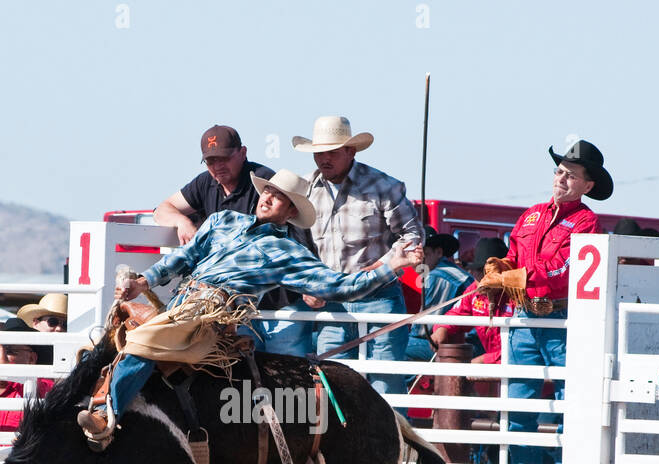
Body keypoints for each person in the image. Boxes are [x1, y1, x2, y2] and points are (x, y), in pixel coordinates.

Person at [90, 168, 424, 448]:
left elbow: (338, 287)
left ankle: (106, 419)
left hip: (212, 316)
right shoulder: (222, 221)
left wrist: (391, 266)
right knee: (106, 341)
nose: (266, 198)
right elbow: (183, 258)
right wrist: (144, 282)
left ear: (290, 212)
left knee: (143, 344)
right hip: (181, 303)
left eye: (277, 197)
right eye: (267, 191)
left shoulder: (287, 252)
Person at [501, 139, 610, 464]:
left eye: (571, 175)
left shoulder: (586, 222)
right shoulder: (530, 215)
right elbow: (514, 255)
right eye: (559, 172)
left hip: (561, 319)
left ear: (587, 186)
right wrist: (501, 267)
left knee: (569, 407)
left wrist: (520, 274)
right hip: (526, 319)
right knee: (518, 406)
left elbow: (568, 269)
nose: (561, 179)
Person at [294, 116, 424, 394]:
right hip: (333, 302)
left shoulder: (383, 186)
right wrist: (308, 284)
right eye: (319, 153)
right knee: (333, 390)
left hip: (378, 299)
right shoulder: (303, 189)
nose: (324, 159)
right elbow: (298, 246)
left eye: (332, 152)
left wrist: (382, 264)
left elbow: (413, 237)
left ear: (350, 151)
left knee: (385, 389)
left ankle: (395, 438)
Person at [153, 125, 277, 246]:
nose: (218, 167)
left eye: (224, 158)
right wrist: (182, 222)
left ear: (243, 153)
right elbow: (162, 210)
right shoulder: (205, 182)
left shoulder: (263, 181)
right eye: (210, 161)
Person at [430, 236, 512, 365]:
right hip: (495, 362)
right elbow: (456, 313)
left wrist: (485, 360)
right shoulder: (474, 291)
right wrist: (442, 328)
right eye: (477, 269)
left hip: (517, 367)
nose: (478, 275)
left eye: (485, 271)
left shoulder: (518, 297)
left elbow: (524, 348)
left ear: (503, 273)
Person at [406, 228, 473, 362]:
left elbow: (422, 331)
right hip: (470, 343)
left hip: (465, 346)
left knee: (395, 347)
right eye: (413, 253)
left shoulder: (438, 276)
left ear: (439, 252)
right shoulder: (450, 271)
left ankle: (416, 383)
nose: (417, 259)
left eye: (424, 253)